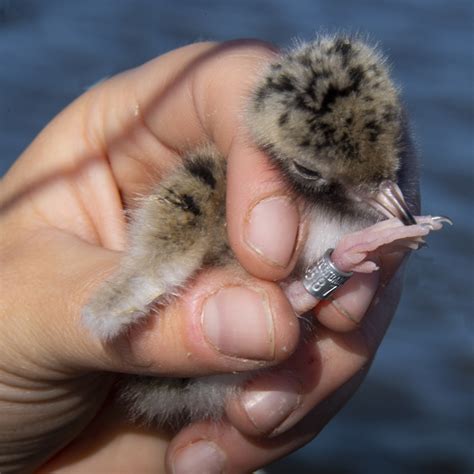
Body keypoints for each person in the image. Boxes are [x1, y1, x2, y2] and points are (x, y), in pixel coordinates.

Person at [0, 40, 413, 473]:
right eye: (311, 170)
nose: (389, 199)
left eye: (390, 168)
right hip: (175, 383)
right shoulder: (218, 188)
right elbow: (108, 316)